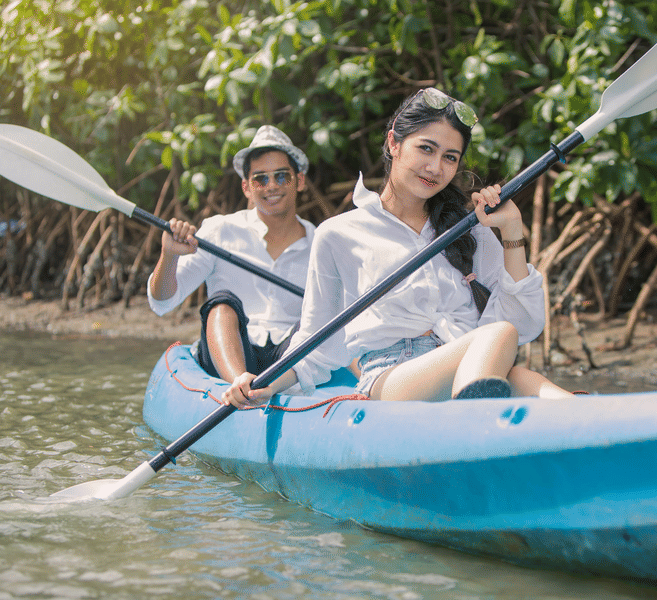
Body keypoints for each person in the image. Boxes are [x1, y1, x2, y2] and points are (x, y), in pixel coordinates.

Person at [222, 88, 573, 407]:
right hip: (393, 375)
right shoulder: (338, 234)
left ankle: (588, 420)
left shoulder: (470, 229)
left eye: (450, 157)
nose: (436, 167)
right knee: (498, 336)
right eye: (426, 148)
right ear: (393, 143)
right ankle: (474, 425)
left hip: (472, 360)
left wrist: (512, 230)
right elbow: (318, 342)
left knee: (530, 378)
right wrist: (264, 384)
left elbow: (523, 324)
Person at [148, 125, 314, 383]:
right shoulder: (219, 230)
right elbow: (162, 303)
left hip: (291, 356)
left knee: (322, 316)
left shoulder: (320, 242)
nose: (271, 186)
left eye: (282, 176)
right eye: (260, 179)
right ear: (247, 188)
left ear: (299, 181)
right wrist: (169, 256)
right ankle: (240, 386)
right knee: (223, 303)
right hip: (231, 355)